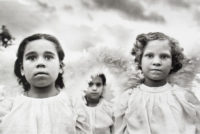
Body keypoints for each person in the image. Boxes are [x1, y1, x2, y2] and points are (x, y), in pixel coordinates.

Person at [0, 33, 90, 134]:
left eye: (48, 57)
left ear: (60, 67)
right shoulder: (8, 108)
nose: (40, 63)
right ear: (22, 69)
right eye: (32, 58)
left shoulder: (74, 106)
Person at [113, 32, 200, 134]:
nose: (157, 62)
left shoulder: (184, 97)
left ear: (173, 63)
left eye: (164, 56)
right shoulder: (128, 98)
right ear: (140, 61)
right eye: (149, 55)